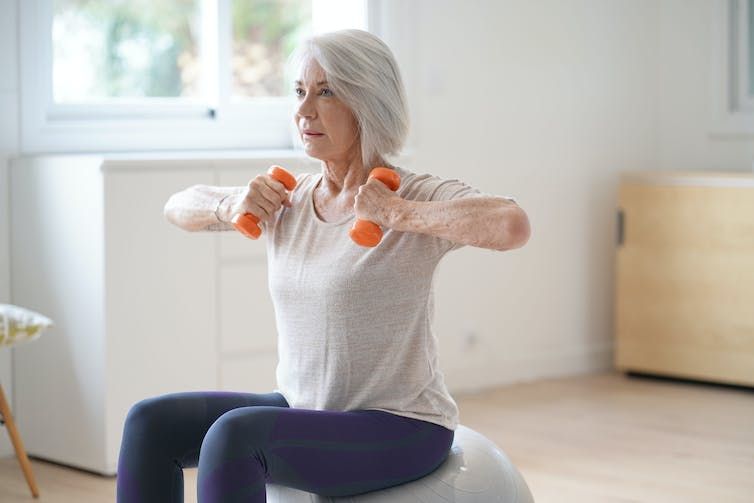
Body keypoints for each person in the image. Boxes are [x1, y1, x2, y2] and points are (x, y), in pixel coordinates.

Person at [117, 29, 530, 503]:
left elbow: (511, 224)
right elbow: (179, 206)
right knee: (150, 423)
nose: (303, 110)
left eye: (326, 91)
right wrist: (231, 205)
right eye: (299, 91)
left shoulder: (407, 193)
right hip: (306, 408)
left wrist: (398, 215)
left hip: (401, 425)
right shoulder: (287, 198)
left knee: (236, 437)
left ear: (368, 103)